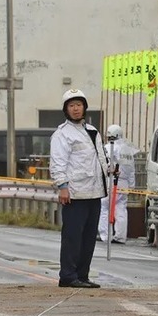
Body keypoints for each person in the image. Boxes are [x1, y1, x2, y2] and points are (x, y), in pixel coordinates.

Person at [50, 89, 109, 288]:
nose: (76, 109)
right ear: (66, 109)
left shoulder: (92, 132)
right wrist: (62, 187)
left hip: (95, 192)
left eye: (79, 105)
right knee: (72, 237)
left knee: (88, 238)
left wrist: (110, 170)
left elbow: (99, 159)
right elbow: (58, 162)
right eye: (71, 105)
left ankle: (82, 275)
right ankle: (67, 275)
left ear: (84, 107)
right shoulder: (62, 134)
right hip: (74, 193)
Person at [98, 124, 139, 244]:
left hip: (112, 180)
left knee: (104, 207)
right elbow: (132, 169)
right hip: (124, 182)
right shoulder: (128, 150)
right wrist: (132, 185)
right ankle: (120, 236)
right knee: (121, 208)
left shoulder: (109, 147)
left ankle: (105, 235)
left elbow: (105, 164)